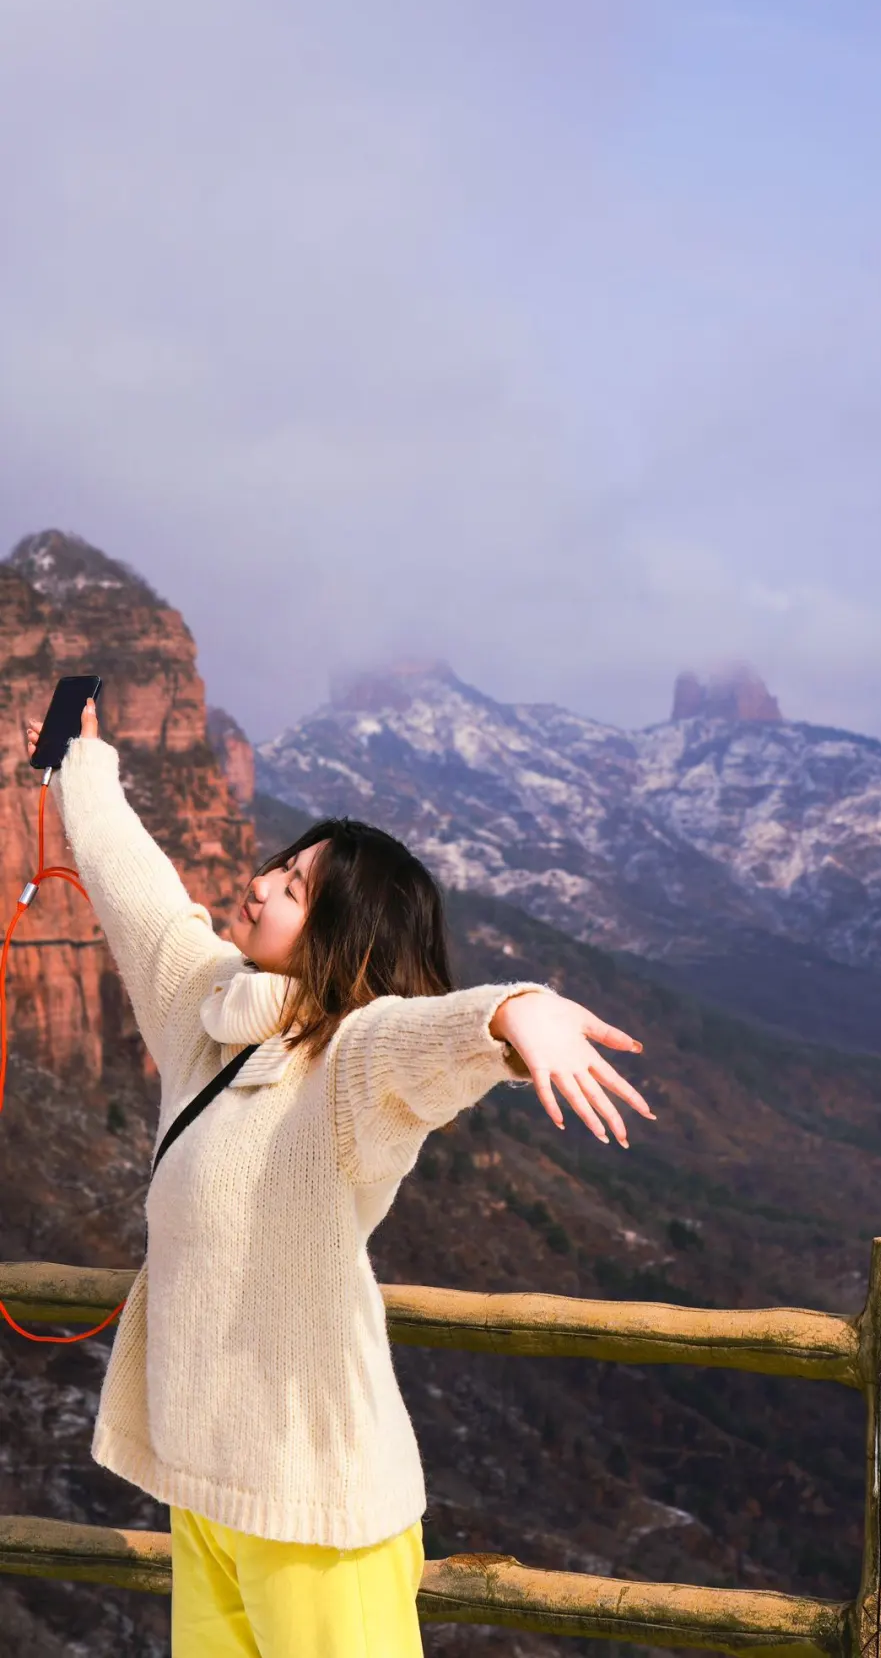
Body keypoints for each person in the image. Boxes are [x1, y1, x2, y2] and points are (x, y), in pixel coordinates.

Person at [24, 697, 654, 1658]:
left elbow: (424, 1037)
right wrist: (84, 759)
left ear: (347, 931)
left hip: (318, 1512)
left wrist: (516, 1012)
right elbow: (137, 890)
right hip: (207, 1492)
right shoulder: (208, 1013)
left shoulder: (350, 1064)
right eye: (280, 859)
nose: (265, 879)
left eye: (298, 881)